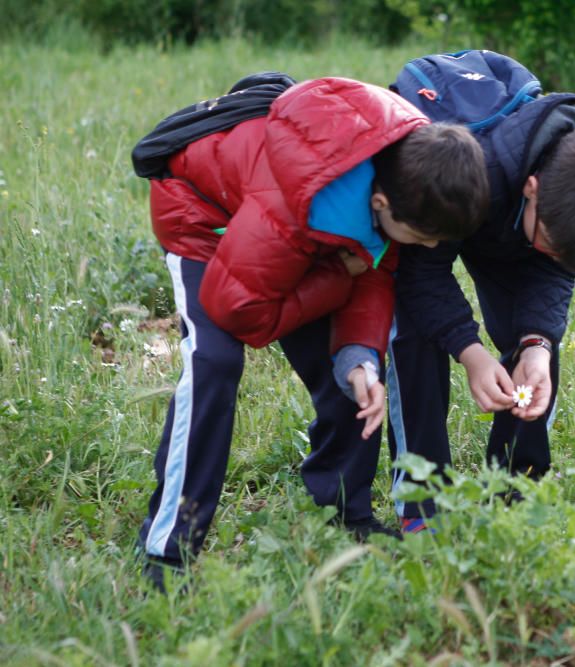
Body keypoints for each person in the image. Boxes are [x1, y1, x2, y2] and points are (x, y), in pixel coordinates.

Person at [134, 75, 489, 589]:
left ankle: (344, 515)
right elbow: (240, 313)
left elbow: (373, 271)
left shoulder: (402, 168)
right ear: (383, 205)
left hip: (301, 234)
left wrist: (359, 358)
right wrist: (336, 276)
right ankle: (169, 548)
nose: (431, 248)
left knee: (354, 378)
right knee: (215, 360)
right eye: (424, 236)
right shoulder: (292, 207)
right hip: (204, 219)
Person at [387, 53, 575, 533]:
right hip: (450, 198)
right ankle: (422, 507)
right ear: (533, 187)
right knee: (415, 334)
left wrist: (537, 344)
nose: (557, 260)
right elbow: (421, 274)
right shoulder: (474, 173)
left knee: (537, 353)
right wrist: (468, 352)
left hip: (511, 224)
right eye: (552, 245)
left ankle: (514, 496)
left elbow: (554, 268)